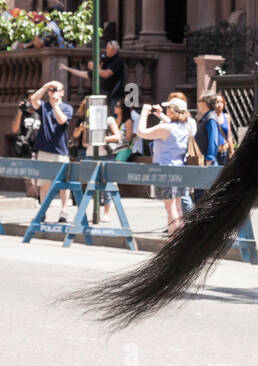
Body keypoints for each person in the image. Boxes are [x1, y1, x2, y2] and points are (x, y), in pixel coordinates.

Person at [135, 99, 193, 235]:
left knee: (170, 206)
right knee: (178, 205)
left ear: (172, 111)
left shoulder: (166, 129)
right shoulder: (185, 127)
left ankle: (174, 236)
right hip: (180, 169)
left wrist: (144, 113)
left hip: (166, 170)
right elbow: (171, 123)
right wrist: (160, 115)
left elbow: (141, 132)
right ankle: (179, 236)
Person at [26, 79, 74, 221]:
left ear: (62, 92)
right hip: (44, 150)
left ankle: (64, 211)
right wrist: (46, 85)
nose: (53, 93)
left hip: (60, 151)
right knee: (44, 184)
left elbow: (61, 120)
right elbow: (33, 99)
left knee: (64, 184)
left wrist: (54, 105)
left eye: (56, 90)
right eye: (51, 91)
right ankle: (43, 211)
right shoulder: (44, 106)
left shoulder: (67, 108)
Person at [61, 40, 127, 112]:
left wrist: (94, 68)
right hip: (101, 96)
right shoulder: (104, 61)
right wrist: (67, 68)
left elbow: (106, 74)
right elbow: (84, 74)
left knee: (112, 117)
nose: (106, 50)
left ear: (113, 49)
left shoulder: (117, 61)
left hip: (114, 96)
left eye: (108, 48)